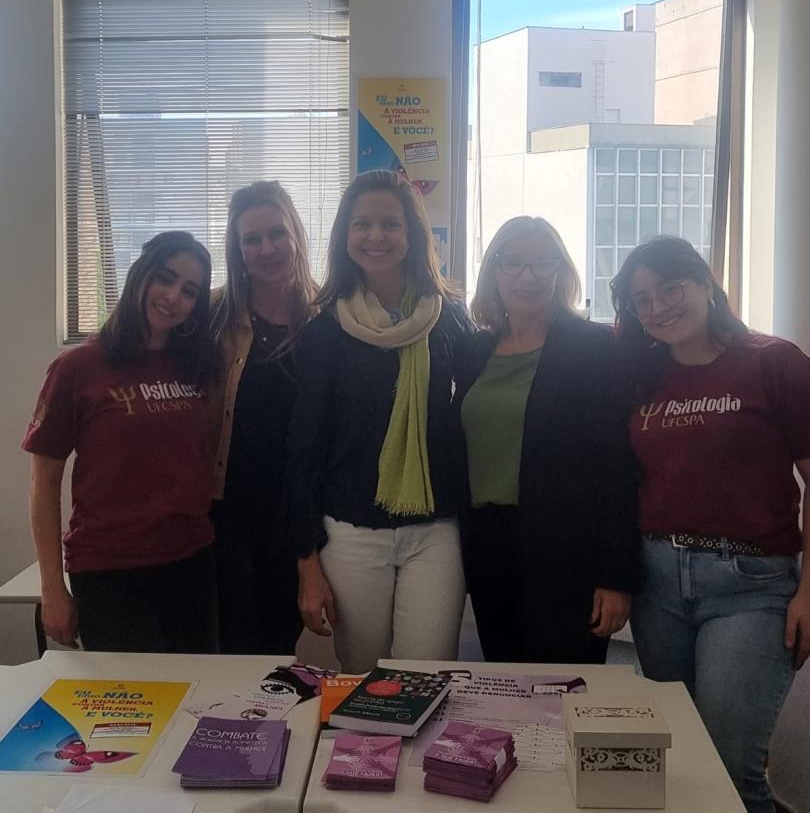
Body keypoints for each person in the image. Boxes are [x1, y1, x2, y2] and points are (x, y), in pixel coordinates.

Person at [611, 235, 810, 813]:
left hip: (751, 586)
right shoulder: (642, 378)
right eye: (641, 299)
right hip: (657, 585)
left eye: (670, 288)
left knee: (729, 764)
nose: (658, 307)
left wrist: (809, 590)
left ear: (705, 283)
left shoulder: (774, 361)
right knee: (677, 758)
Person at [287, 170, 470, 673]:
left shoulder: (450, 319)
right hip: (350, 533)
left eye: (390, 224)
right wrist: (307, 564)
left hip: (435, 531)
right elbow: (303, 450)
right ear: (344, 236)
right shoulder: (325, 330)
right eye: (362, 224)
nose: (376, 236)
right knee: (363, 680)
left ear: (413, 234)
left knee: (427, 677)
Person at [454, 216, 639, 664]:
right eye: (514, 262)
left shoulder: (594, 347)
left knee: (566, 687)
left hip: (568, 551)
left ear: (560, 273)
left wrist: (616, 576)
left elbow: (619, 465)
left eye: (542, 263)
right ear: (494, 271)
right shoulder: (474, 350)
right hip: (487, 544)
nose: (528, 276)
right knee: (502, 682)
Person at [24, 231, 220, 653]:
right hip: (110, 571)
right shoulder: (78, 367)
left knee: (201, 690)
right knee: (135, 696)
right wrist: (52, 588)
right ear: (141, 275)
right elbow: (44, 483)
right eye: (165, 278)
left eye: (189, 291)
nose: (173, 296)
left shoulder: (197, 366)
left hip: (192, 562)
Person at [210, 180, 317, 654]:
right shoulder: (213, 314)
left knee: (277, 648)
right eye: (251, 239)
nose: (266, 249)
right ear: (237, 250)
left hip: (298, 516)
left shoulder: (329, 318)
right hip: (226, 514)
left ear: (296, 233)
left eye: (277, 233)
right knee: (230, 646)